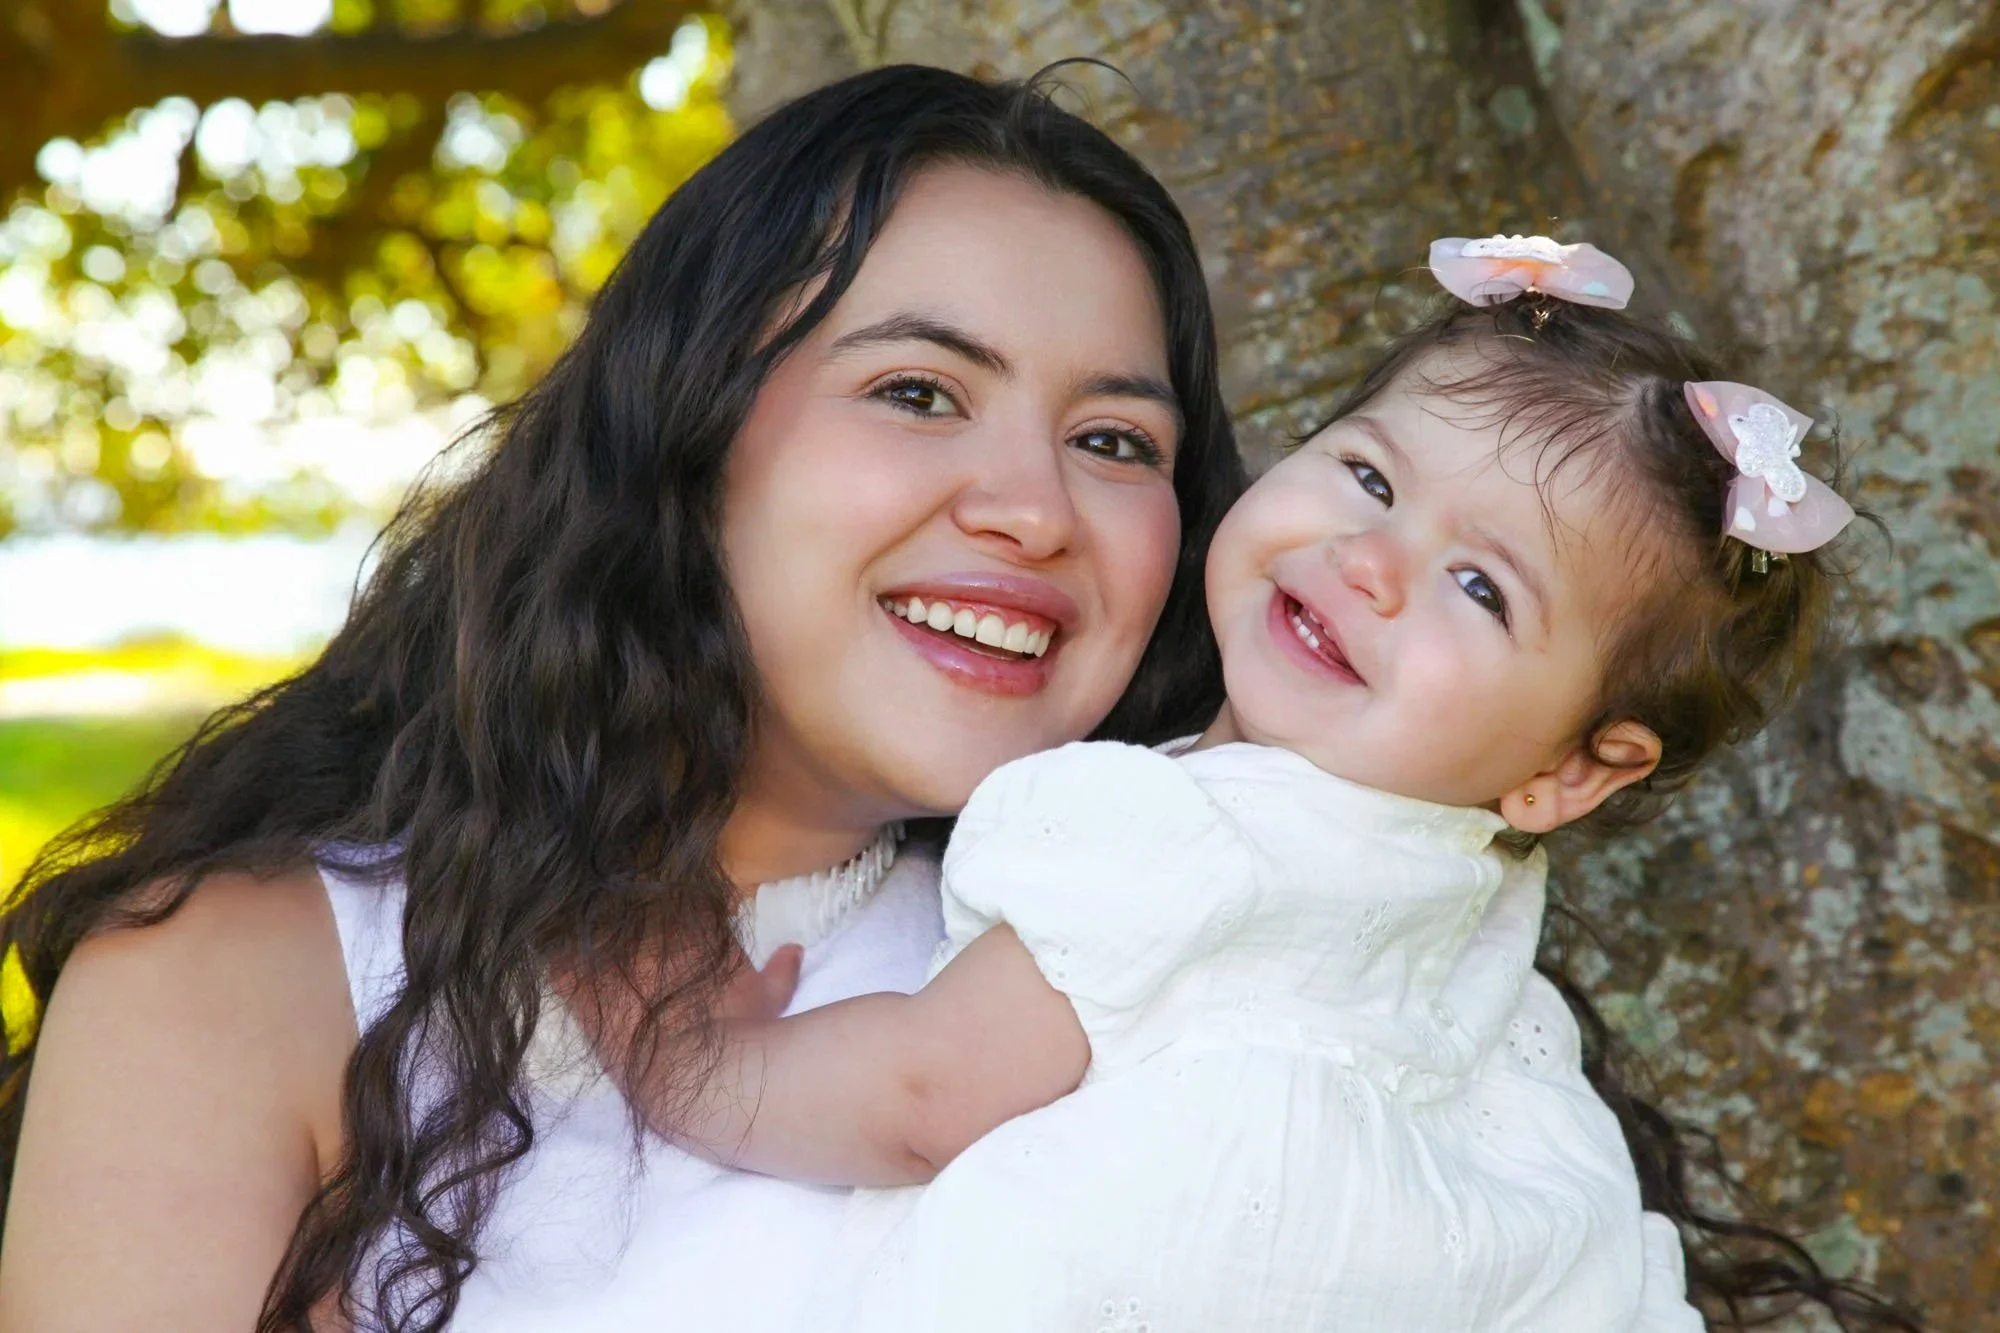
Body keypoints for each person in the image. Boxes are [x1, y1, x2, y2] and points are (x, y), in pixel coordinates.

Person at [0, 66, 1243, 1332]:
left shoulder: (1203, 947)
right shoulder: (241, 982)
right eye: (917, 393)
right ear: (683, 430)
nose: (1032, 509)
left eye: (1114, 441)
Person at [661, 238, 1924, 1331]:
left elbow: (923, 1090)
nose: (1369, 561)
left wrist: (679, 1059)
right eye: (1369, 478)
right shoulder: (1463, 931)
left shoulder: (1171, 833)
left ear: (1567, 769)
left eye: (1479, 588)